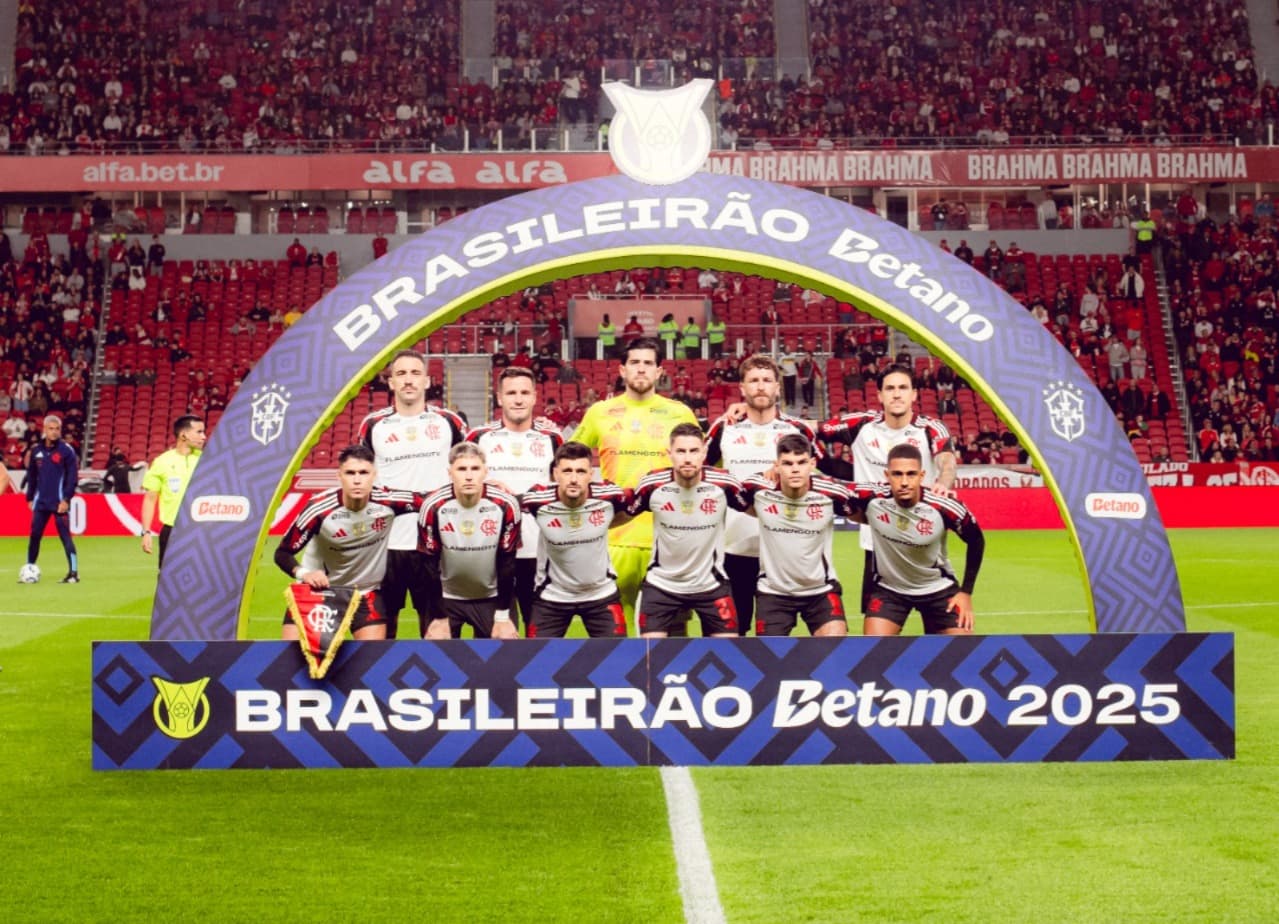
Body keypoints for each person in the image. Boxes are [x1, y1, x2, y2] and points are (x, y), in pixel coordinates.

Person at [572, 338, 699, 622]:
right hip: (616, 536)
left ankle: (675, 670)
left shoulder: (679, 413)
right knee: (611, 626)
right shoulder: (600, 413)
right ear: (621, 370)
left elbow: (702, 463)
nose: (641, 369)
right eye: (635, 363)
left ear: (659, 371)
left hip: (669, 537)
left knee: (673, 628)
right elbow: (569, 460)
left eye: (648, 363)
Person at [817, 364, 957, 609]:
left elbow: (947, 460)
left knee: (943, 629)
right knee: (877, 635)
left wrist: (943, 484)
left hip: (924, 539)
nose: (896, 394)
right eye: (889, 388)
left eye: (903, 388)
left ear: (914, 394)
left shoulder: (930, 428)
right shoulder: (861, 425)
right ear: (879, 395)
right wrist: (752, 413)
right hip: (878, 542)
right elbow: (811, 429)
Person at [705, 355, 822, 634]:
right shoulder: (725, 428)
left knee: (776, 637)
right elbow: (699, 471)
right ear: (742, 388)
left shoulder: (797, 430)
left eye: (767, 381)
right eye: (754, 381)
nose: (761, 387)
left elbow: (823, 474)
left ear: (778, 388)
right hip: (736, 548)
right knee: (734, 631)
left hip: (785, 551)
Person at [358, 350, 467, 638]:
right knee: (378, 635)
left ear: (428, 381)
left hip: (436, 546)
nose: (408, 380)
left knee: (438, 634)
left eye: (415, 373)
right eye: (401, 374)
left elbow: (469, 469)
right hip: (385, 546)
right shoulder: (373, 425)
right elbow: (361, 476)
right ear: (390, 382)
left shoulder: (449, 422)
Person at [275, 445, 422, 642]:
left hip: (365, 592)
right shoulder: (319, 510)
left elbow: (431, 501)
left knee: (372, 661)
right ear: (339, 476)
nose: (357, 480)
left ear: (374, 476)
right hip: (318, 591)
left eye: (364, 473)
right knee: (290, 658)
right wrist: (305, 574)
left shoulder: (389, 502)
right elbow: (282, 553)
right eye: (350, 473)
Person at [625, 423, 749, 638]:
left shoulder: (724, 483)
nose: (688, 458)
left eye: (693, 451)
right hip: (661, 585)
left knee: (728, 656)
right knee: (650, 660)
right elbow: (622, 515)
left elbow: (756, 509)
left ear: (704, 453)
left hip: (711, 585)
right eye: (681, 451)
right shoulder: (652, 485)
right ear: (669, 454)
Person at [847, 444, 985, 636]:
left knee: (962, 648)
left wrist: (966, 592)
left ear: (922, 476)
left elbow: (977, 540)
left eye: (911, 474)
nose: (904, 482)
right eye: (897, 474)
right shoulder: (872, 499)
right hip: (890, 589)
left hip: (937, 587)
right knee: (873, 650)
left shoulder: (944, 507)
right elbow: (834, 490)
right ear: (887, 476)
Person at [466, 367, 564, 630]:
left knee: (540, 638)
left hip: (539, 552)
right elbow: (461, 486)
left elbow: (563, 492)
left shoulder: (552, 439)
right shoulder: (478, 438)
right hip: (492, 553)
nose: (518, 399)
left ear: (534, 397)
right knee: (495, 639)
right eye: (511, 393)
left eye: (524, 393)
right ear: (499, 398)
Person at [739, 434, 853, 637]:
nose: (794, 469)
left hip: (820, 590)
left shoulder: (832, 492)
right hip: (773, 592)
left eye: (801, 463)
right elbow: (737, 491)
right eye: (787, 463)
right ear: (776, 465)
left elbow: (868, 507)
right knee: (767, 662)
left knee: (836, 652)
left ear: (812, 463)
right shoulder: (758, 490)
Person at [520, 441, 633, 638]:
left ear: (591, 473)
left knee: (620, 661)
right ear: (556, 474)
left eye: (581, 471)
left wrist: (604, 525)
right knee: (535, 664)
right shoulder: (537, 500)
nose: (574, 479)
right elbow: (505, 505)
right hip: (552, 596)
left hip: (601, 594)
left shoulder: (609, 496)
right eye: (567, 471)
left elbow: (641, 501)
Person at [418, 443, 522, 640]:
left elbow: (508, 562)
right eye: (461, 469)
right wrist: (439, 617)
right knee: (435, 658)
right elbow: (428, 566)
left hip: (492, 597)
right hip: (445, 598)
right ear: (450, 473)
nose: (468, 476)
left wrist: (501, 617)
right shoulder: (432, 506)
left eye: (475, 469)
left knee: (506, 654)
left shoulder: (505, 505)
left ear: (485, 472)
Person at [140, 415, 206, 566]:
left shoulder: (207, 461)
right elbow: (150, 499)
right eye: (199, 432)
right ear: (183, 435)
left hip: (202, 531)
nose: (204, 437)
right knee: (166, 581)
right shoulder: (162, 462)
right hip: (172, 532)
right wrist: (146, 532)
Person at [23, 415, 80, 583]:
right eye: (51, 428)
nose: (54, 432)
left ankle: (73, 573)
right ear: (44, 429)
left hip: (59, 503)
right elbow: (32, 476)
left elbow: (72, 478)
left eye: (57, 429)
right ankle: (30, 569)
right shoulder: (36, 451)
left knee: (65, 536)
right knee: (34, 536)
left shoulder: (66, 451)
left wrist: (66, 500)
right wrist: (29, 497)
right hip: (41, 503)